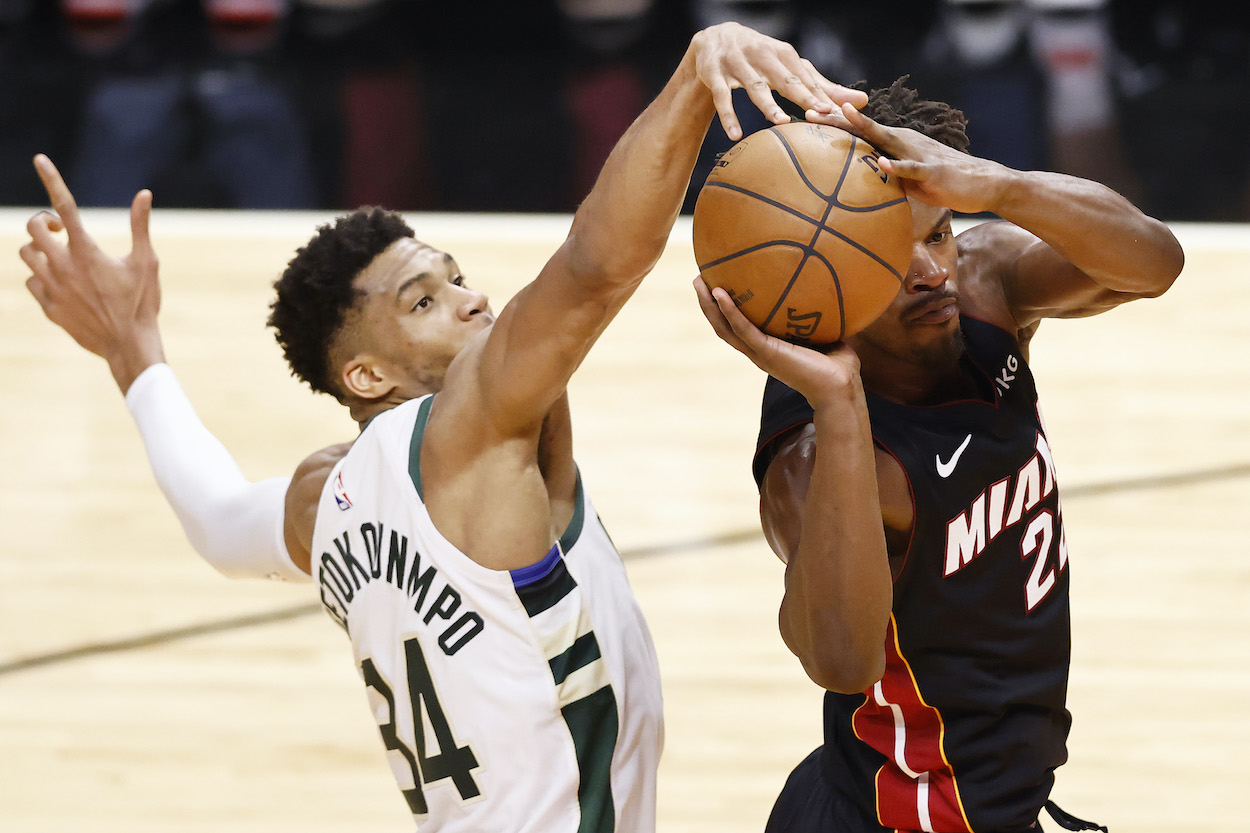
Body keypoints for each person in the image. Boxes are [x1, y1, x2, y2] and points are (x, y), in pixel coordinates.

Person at [19, 22, 869, 833]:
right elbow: (595, 268)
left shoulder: (328, 498)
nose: (472, 300)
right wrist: (693, 78)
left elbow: (214, 518)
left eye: (457, 277)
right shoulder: (467, 430)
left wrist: (135, 356)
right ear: (367, 376)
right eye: (423, 300)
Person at [695, 78, 1183, 833]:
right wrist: (840, 404)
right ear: (822, 275)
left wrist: (1002, 185)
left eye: (938, 232)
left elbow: (1155, 263)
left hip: (985, 789)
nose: (932, 272)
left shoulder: (983, 282)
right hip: (911, 809)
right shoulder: (814, 457)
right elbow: (841, 660)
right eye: (893, 254)